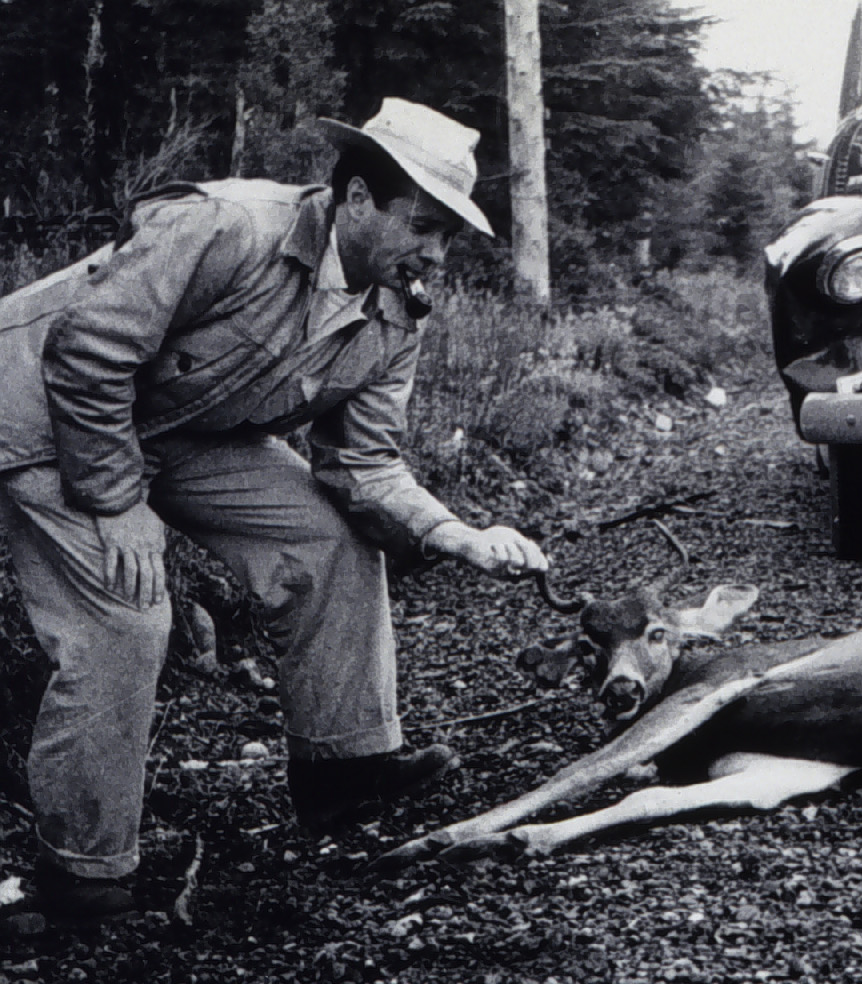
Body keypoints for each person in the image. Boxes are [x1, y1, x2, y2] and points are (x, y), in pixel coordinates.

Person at [0, 99, 548, 921]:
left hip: (170, 424)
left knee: (329, 536)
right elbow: (87, 353)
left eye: (449, 236)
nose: (435, 253)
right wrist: (118, 506)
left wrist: (453, 533)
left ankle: (343, 767)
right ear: (358, 198)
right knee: (128, 612)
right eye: (425, 225)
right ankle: (86, 871)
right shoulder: (229, 226)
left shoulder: (398, 310)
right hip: (38, 408)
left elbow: (362, 462)